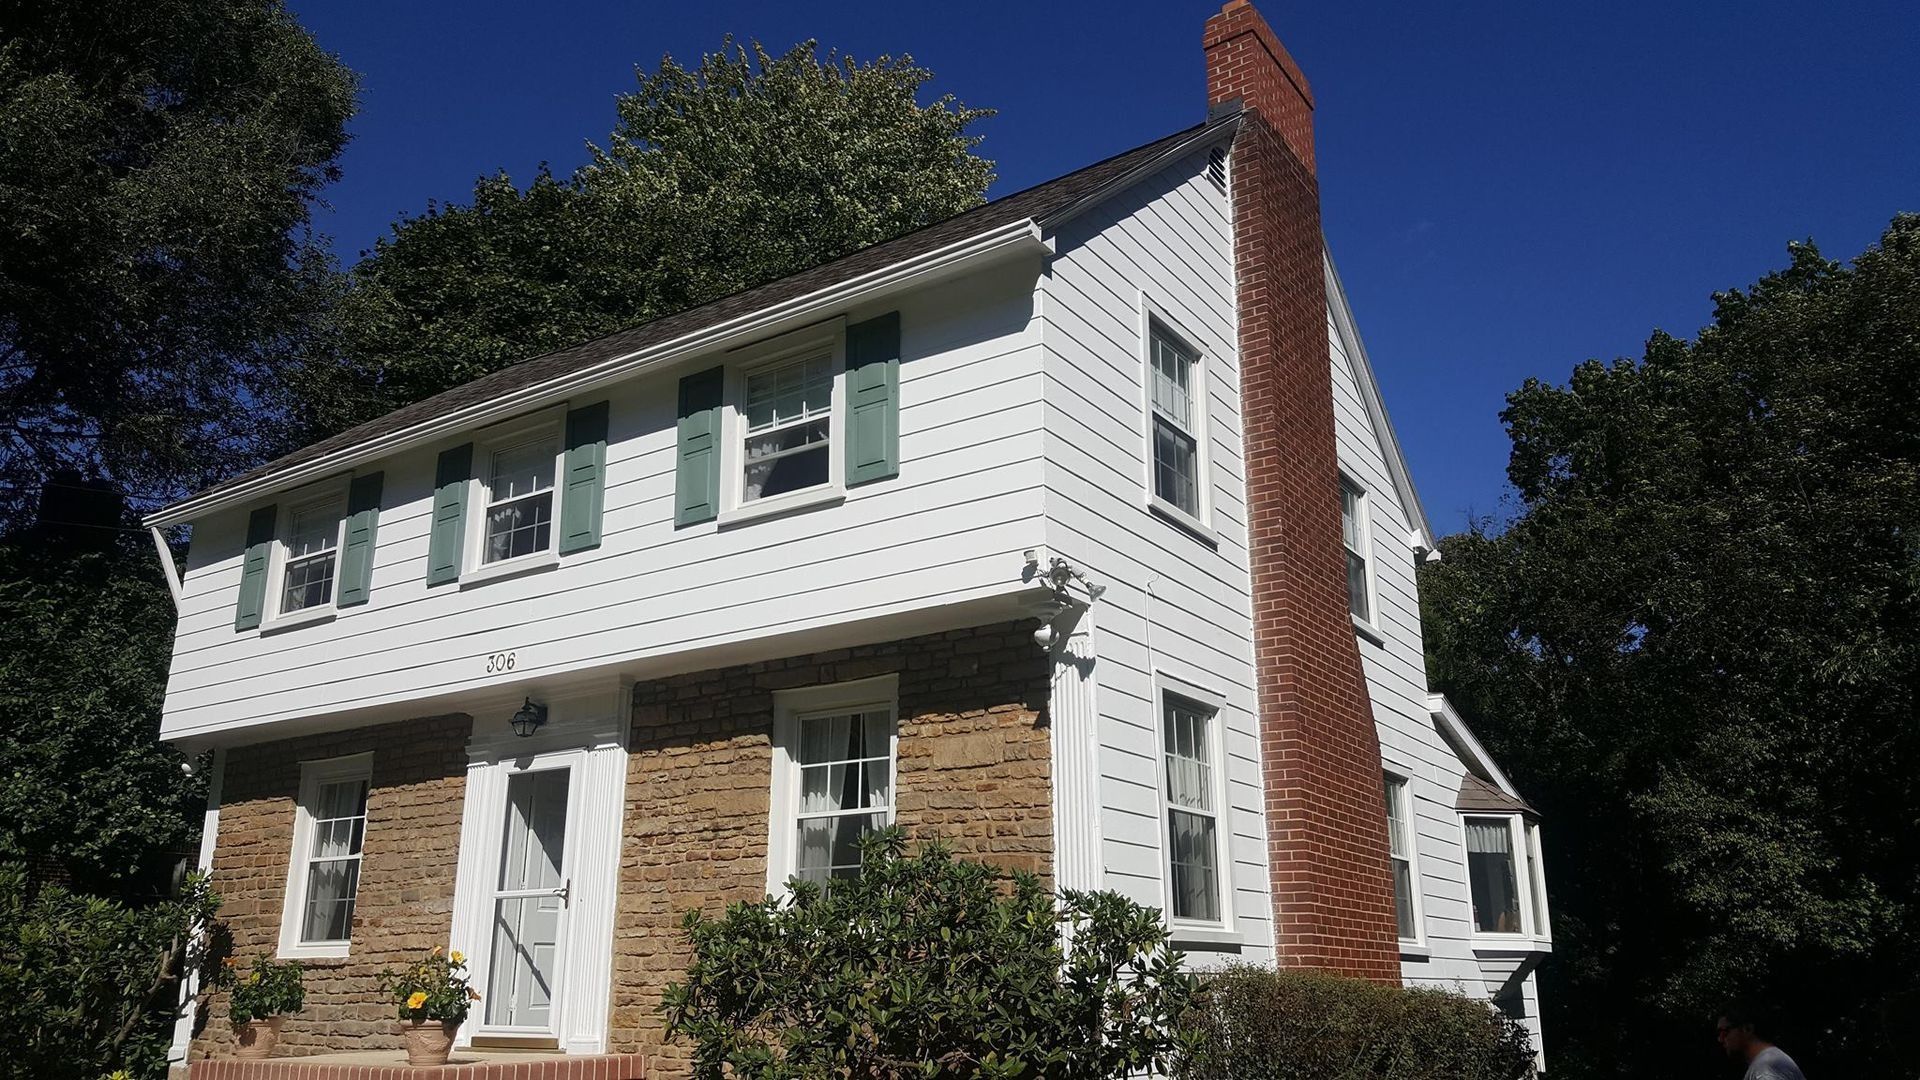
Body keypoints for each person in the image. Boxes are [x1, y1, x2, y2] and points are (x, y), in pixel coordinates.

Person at [1716, 1003, 1807, 1079]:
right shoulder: (1768, 1063)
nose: (1720, 1039)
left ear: (1747, 1029)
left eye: (1724, 1032)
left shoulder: (1766, 1068)